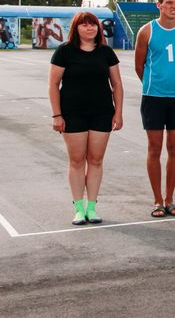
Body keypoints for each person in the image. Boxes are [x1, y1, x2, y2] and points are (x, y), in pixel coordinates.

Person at [48, 12, 123, 225]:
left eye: (93, 25)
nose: (89, 28)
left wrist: (118, 112)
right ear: (76, 28)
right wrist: (57, 115)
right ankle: (78, 208)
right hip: (72, 114)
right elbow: (53, 85)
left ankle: (92, 207)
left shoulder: (106, 52)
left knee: (96, 160)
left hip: (101, 113)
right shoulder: (64, 52)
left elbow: (116, 85)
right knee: (77, 160)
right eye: (84, 25)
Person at [134, 0, 175, 217]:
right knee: (155, 149)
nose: (173, 7)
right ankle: (157, 200)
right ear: (158, 5)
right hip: (153, 97)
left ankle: (170, 199)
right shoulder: (146, 31)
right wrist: (156, 83)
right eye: (169, 3)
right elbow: (139, 66)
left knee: (174, 149)